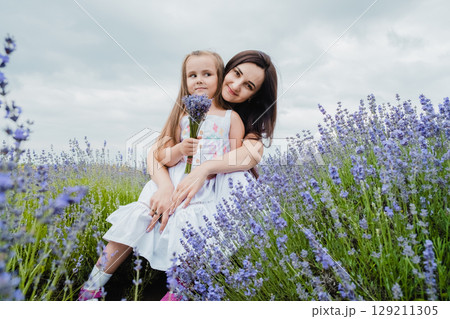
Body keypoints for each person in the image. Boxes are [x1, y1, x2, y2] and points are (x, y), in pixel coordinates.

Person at [78, 50, 246, 300]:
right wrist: (179, 150)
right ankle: (92, 287)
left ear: (220, 78)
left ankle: (176, 294)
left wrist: (212, 167)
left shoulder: (231, 118)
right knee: (132, 226)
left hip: (202, 191)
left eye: (207, 74)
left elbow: (235, 159)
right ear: (184, 81)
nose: (199, 80)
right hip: (172, 183)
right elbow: (162, 156)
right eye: (192, 75)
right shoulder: (182, 116)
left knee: (191, 239)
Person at [145, 50, 278, 300]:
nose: (236, 86)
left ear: (255, 95)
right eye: (235, 74)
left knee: (238, 179)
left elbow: (250, 154)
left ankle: (188, 286)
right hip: (182, 188)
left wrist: (205, 167)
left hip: (218, 192)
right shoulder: (188, 110)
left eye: (248, 85)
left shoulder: (242, 120)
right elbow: (156, 153)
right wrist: (164, 186)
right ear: (224, 71)